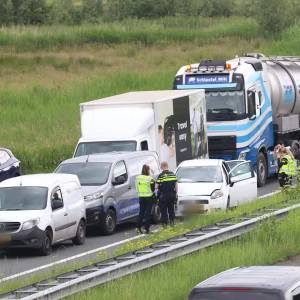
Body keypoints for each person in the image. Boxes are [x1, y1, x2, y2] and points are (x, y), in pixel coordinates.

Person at [135, 164, 155, 234]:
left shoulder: (137, 178)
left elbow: (136, 188)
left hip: (141, 197)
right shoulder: (150, 178)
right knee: (148, 213)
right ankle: (147, 229)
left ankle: (138, 228)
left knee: (141, 213)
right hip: (149, 197)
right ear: (148, 170)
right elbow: (153, 189)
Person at [156, 161, 178, 227]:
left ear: (162, 167)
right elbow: (176, 185)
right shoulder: (172, 174)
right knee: (171, 209)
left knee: (163, 210)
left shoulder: (161, 176)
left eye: (161, 166)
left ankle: (165, 224)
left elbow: (156, 187)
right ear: (167, 166)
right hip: (172, 195)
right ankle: (172, 222)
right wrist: (175, 193)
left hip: (163, 196)